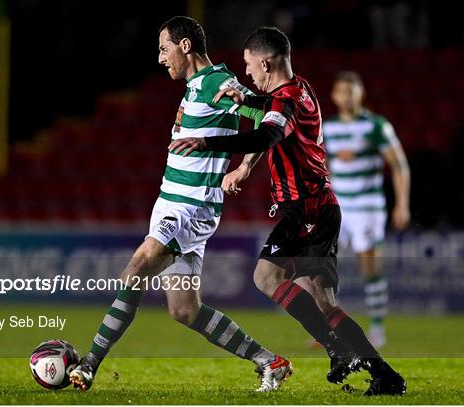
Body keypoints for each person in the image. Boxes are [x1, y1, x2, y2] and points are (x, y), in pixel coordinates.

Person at [169, 26, 406, 396]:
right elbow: (269, 116)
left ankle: (336, 349)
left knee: (266, 277)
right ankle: (386, 375)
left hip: (307, 208)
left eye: (249, 66)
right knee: (324, 301)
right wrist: (246, 161)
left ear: (266, 62)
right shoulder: (300, 89)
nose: (247, 74)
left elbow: (267, 134)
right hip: (322, 207)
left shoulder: (288, 98)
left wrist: (205, 141)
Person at [69, 16, 292, 393]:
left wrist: (244, 164)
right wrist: (243, 165)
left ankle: (89, 364)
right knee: (185, 310)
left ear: (185, 46)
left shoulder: (217, 83)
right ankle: (269, 361)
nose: (160, 58)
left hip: (190, 209)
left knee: (137, 267)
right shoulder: (195, 86)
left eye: (163, 48)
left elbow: (269, 118)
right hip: (171, 203)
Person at [323, 71, 411, 348]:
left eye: (352, 91)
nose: (347, 97)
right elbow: (321, 166)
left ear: (361, 94)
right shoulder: (329, 128)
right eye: (342, 92)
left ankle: (376, 328)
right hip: (338, 206)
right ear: (334, 96)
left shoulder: (376, 126)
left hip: (367, 206)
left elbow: (399, 165)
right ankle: (328, 327)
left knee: (369, 265)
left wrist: (402, 203)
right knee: (323, 266)